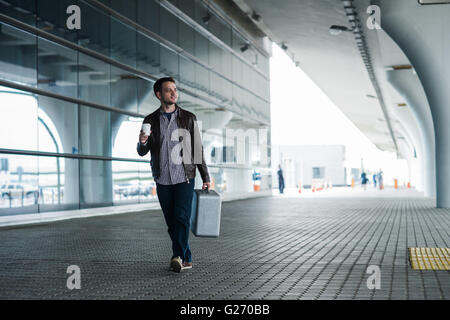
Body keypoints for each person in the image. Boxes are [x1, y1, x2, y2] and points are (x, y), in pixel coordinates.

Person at [137, 77, 210, 273]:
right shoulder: (150, 120)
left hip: (184, 177)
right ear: (159, 95)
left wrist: (206, 178)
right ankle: (185, 257)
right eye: (168, 90)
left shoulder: (188, 117)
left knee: (181, 218)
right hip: (162, 179)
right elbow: (142, 152)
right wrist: (143, 141)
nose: (173, 93)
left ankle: (177, 256)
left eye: (175, 89)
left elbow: (197, 150)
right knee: (171, 221)